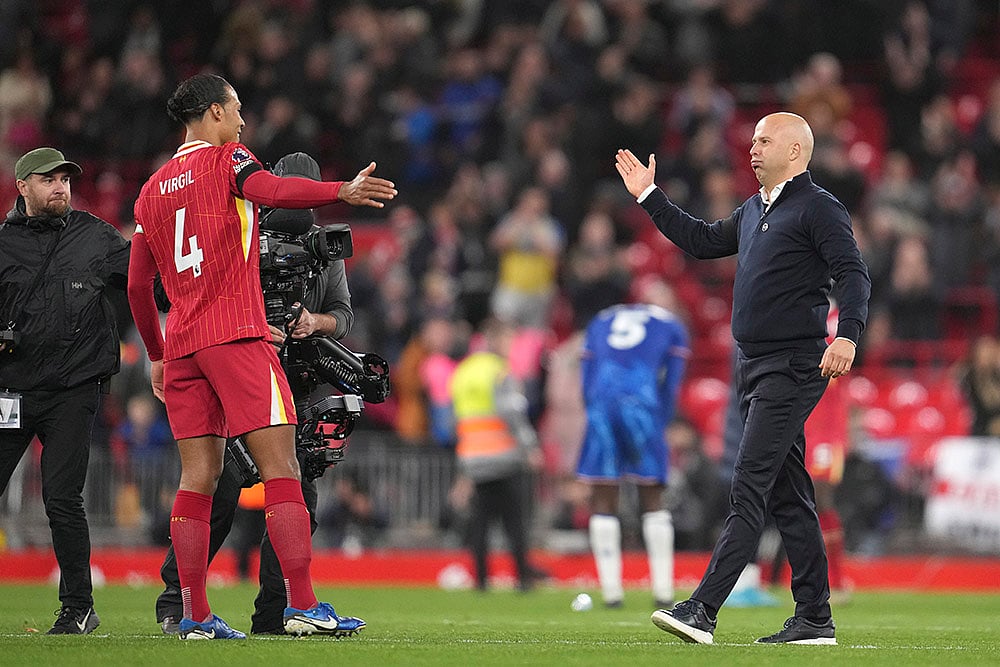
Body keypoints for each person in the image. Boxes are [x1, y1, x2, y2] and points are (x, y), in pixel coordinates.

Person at [127, 73, 395, 640]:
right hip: (237, 336)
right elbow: (273, 192)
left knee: (197, 479)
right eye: (237, 110)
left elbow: (135, 288)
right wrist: (338, 191)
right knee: (283, 469)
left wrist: (155, 354)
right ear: (215, 114)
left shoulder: (150, 190)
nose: (244, 121)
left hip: (181, 348)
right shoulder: (229, 161)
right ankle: (302, 605)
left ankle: (196, 615)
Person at [616, 111, 870, 646]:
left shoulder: (820, 208)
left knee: (748, 483)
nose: (751, 149)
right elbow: (704, 240)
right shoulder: (756, 208)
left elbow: (852, 273)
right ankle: (814, 619)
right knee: (787, 494)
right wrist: (649, 196)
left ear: (797, 151)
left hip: (793, 364)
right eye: (751, 140)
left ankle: (703, 609)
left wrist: (847, 334)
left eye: (764, 140)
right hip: (754, 366)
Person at [154, 152, 362, 635]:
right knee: (220, 489)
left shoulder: (322, 250)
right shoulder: (241, 231)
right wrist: (251, 327)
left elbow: (344, 314)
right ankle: (179, 601)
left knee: (294, 491)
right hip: (237, 365)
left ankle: (273, 611)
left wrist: (313, 323)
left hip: (292, 375)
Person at [0, 147, 130, 634]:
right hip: (11, 390)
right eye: (48, 179)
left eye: (65, 179)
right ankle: (79, 605)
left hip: (73, 389)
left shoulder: (95, 235)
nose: (60, 186)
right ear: (23, 187)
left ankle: (78, 607)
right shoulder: (2, 243)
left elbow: (143, 282)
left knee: (62, 499)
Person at [576, 300, 689, 609]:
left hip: (602, 404)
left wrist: (594, 411)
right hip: (642, 405)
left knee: (603, 496)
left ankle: (612, 594)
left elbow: (586, 373)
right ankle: (663, 592)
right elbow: (672, 381)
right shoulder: (671, 324)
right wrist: (661, 419)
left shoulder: (601, 318)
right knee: (652, 495)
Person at [449, 317, 541, 592]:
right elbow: (512, 412)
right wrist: (530, 447)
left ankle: (481, 580)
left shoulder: (464, 371)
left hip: (474, 458)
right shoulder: (500, 371)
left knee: (480, 523)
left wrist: (463, 467)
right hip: (504, 457)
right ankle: (523, 579)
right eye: (509, 339)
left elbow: (455, 418)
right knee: (515, 522)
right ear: (497, 340)